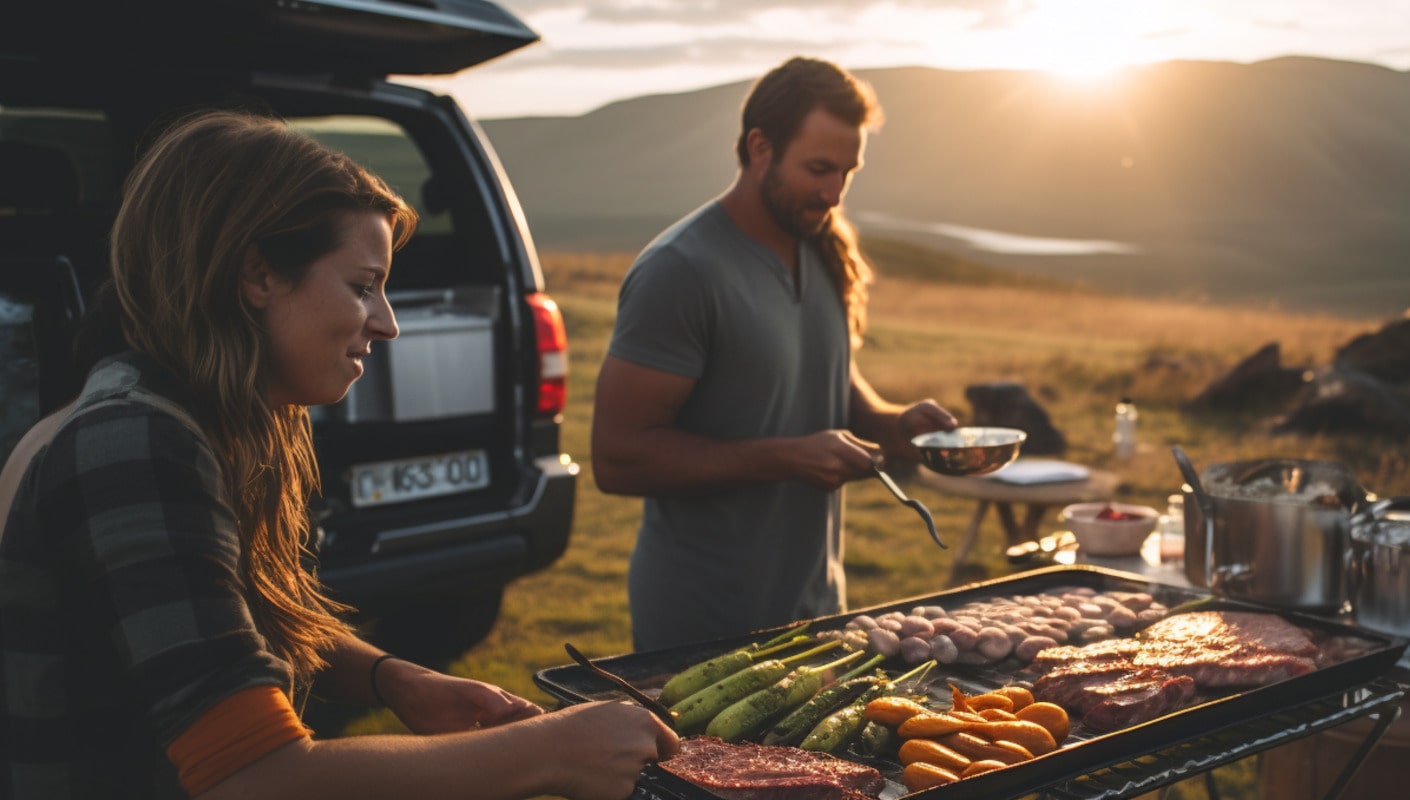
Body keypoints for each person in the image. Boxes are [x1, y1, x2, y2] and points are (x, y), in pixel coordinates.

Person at [0, 111, 676, 800]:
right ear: (257, 275)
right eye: (361, 285)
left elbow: (231, 625)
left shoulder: (191, 418)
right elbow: (252, 775)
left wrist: (393, 678)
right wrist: (550, 751)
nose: (386, 323)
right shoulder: (130, 445)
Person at [593, 57, 958, 651]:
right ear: (759, 147)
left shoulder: (822, 249)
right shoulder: (681, 271)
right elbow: (618, 458)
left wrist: (895, 426)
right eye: (818, 168)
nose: (833, 192)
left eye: (847, 171)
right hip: (704, 626)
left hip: (818, 614)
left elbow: (822, 383)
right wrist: (787, 457)